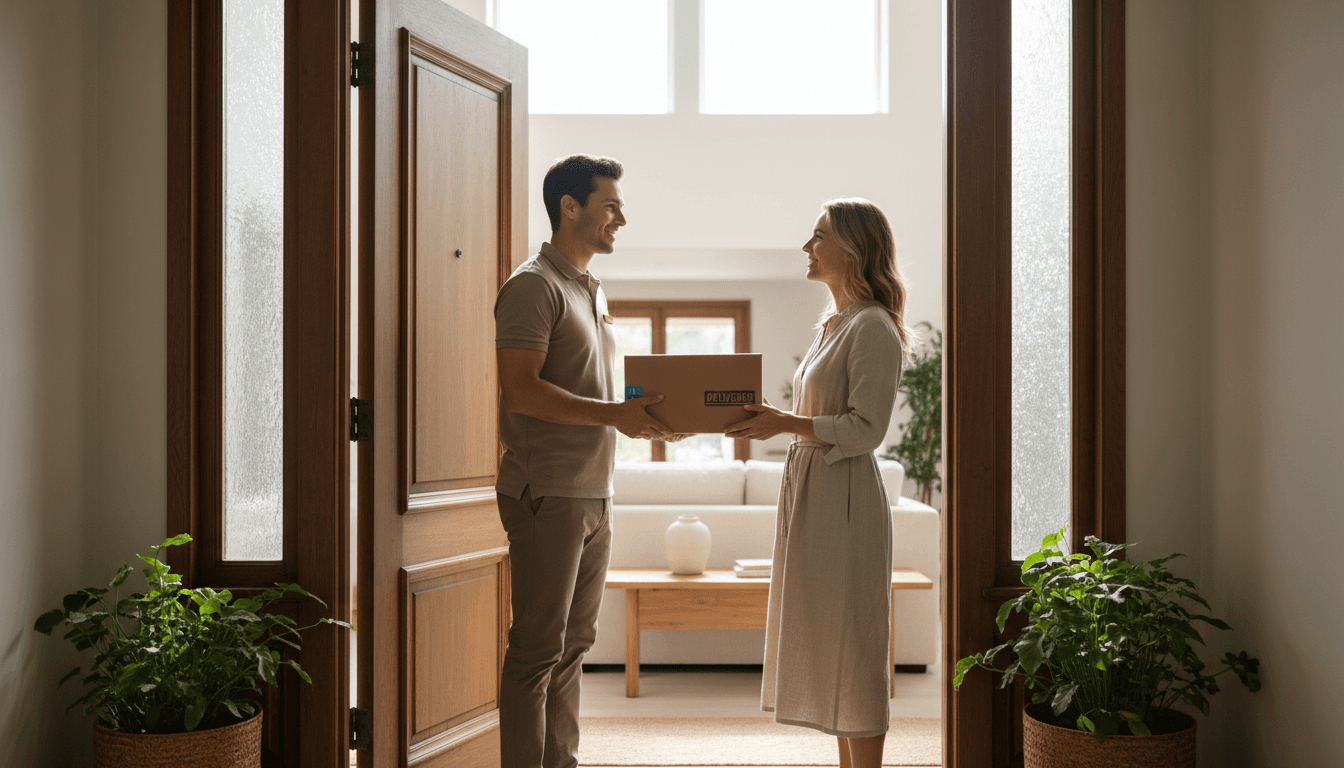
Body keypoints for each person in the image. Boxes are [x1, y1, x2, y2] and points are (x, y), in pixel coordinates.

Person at [494, 154, 687, 768]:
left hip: (595, 492)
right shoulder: (533, 286)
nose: (621, 219)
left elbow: (592, 389)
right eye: (611, 206)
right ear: (569, 207)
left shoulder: (591, 289)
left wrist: (648, 417)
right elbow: (521, 391)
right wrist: (613, 417)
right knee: (535, 653)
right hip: (547, 493)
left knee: (574, 648)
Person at [724, 198, 915, 768]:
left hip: (846, 495)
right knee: (830, 638)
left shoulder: (874, 326)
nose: (808, 247)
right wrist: (775, 419)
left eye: (818, 236)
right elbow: (822, 414)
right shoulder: (833, 325)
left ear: (852, 248)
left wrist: (785, 422)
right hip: (813, 491)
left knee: (855, 644)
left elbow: (866, 428)